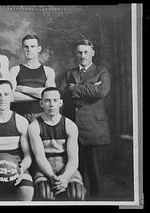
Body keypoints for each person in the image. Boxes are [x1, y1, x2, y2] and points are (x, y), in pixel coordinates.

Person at [58, 39, 111, 200]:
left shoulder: (102, 71)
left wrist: (74, 88)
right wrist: (90, 88)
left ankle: (97, 200)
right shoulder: (69, 73)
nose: (83, 55)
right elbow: (62, 93)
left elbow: (102, 91)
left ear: (92, 53)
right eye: (80, 52)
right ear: (76, 53)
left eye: (86, 52)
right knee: (76, 169)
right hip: (73, 126)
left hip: (94, 127)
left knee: (95, 172)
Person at [28, 87, 85, 201]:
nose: (51, 104)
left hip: (65, 165)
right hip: (44, 167)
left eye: (55, 100)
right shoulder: (34, 126)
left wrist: (65, 177)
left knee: (76, 193)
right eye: (47, 100)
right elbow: (40, 157)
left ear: (60, 103)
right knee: (43, 193)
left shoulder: (70, 125)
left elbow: (73, 159)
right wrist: (52, 177)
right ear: (41, 103)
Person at [10, 34, 56, 122]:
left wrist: (22, 89)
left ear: (39, 49)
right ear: (22, 49)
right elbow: (11, 96)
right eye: (26, 46)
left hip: (42, 116)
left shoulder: (48, 71)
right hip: (18, 116)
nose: (29, 49)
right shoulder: (15, 70)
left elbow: (50, 95)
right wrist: (39, 97)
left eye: (32, 46)